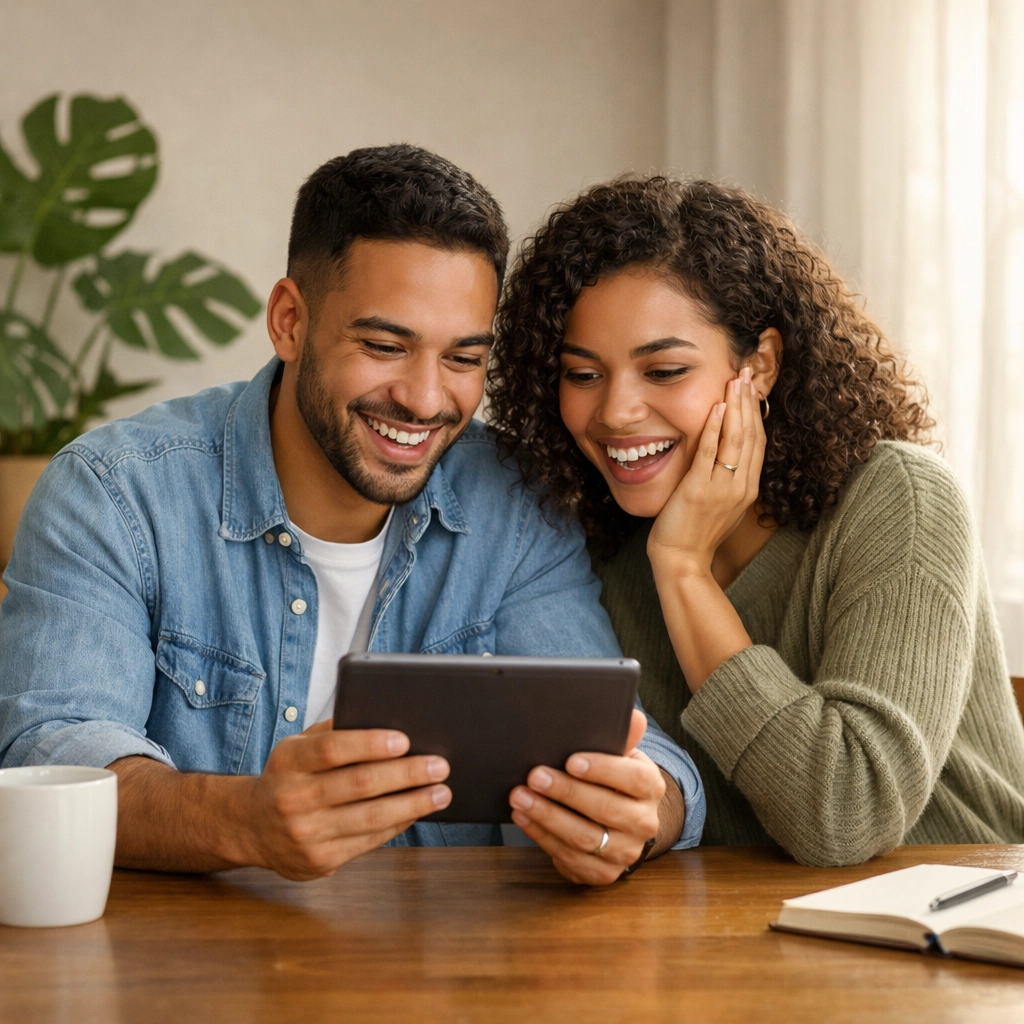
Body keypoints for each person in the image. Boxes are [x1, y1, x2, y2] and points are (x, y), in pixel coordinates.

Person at [0, 148, 705, 886]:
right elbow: (50, 756)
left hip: (444, 956)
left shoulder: (516, 503)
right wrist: (246, 821)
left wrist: (639, 812)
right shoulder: (114, 493)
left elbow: (632, 752)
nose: (424, 399)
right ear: (289, 322)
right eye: (384, 346)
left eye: (463, 359)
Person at [488, 175, 1024, 867]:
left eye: (664, 371)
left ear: (760, 365)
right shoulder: (591, 544)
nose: (616, 412)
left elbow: (846, 815)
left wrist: (684, 570)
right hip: (734, 928)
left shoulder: (902, 499)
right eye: (583, 375)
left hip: (956, 914)